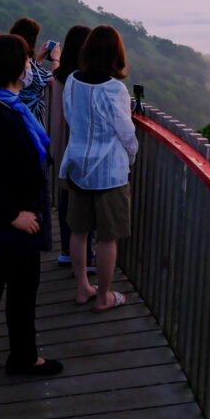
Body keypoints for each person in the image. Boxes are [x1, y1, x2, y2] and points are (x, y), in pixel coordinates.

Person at [0, 33, 62, 375]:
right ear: (15, 69)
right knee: (0, 286)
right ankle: (0, 351)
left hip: (14, 215)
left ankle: (7, 350)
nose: (29, 66)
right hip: (4, 220)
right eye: (25, 61)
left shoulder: (3, 103)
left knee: (8, 285)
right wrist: (13, 215)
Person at [59, 25, 138, 311]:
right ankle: (104, 296)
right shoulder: (114, 88)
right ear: (116, 54)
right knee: (107, 237)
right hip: (109, 172)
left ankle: (83, 288)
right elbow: (126, 133)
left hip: (77, 165)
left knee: (79, 231)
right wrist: (131, 157)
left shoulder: (71, 81)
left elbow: (70, 117)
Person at [46, 24, 92, 268]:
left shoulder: (60, 76)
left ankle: (66, 249)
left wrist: (55, 60)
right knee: (85, 202)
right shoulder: (84, 80)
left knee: (65, 196)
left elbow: (56, 75)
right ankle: (86, 254)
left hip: (61, 143)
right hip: (80, 147)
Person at [9, 17, 60, 124]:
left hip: (11, 117)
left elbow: (34, 76)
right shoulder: (28, 64)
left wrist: (39, 59)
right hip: (29, 123)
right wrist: (56, 59)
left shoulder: (10, 58)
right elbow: (54, 81)